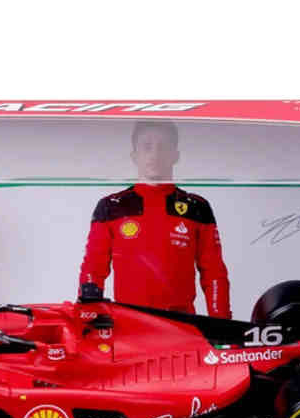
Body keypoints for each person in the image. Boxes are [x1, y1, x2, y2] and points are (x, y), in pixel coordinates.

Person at [79, 121, 231, 317]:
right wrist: (87, 317)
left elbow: (214, 273)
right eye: (147, 146)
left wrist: (222, 324)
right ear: (134, 156)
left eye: (163, 146)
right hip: (130, 325)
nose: (155, 154)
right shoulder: (111, 206)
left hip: (182, 326)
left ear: (175, 155)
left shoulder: (196, 207)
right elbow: (93, 269)